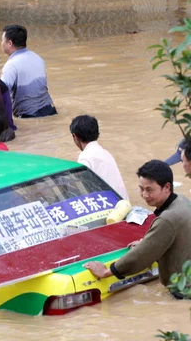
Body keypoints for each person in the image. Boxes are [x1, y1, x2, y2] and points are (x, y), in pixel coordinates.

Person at [83, 160, 191, 299]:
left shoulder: (167, 219)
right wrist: (146, 242)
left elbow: (141, 255)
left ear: (167, 187)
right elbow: (164, 240)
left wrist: (107, 271)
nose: (144, 195)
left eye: (149, 190)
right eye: (141, 189)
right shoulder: (182, 201)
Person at [1, 25, 56, 118]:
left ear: (9, 43)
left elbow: (1, 92)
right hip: (50, 110)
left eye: (2, 40)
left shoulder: (11, 65)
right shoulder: (38, 58)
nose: (1, 43)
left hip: (29, 116)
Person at [70, 115, 129, 200]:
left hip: (110, 206)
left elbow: (84, 189)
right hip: (123, 202)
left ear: (75, 136)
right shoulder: (105, 153)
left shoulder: (85, 157)